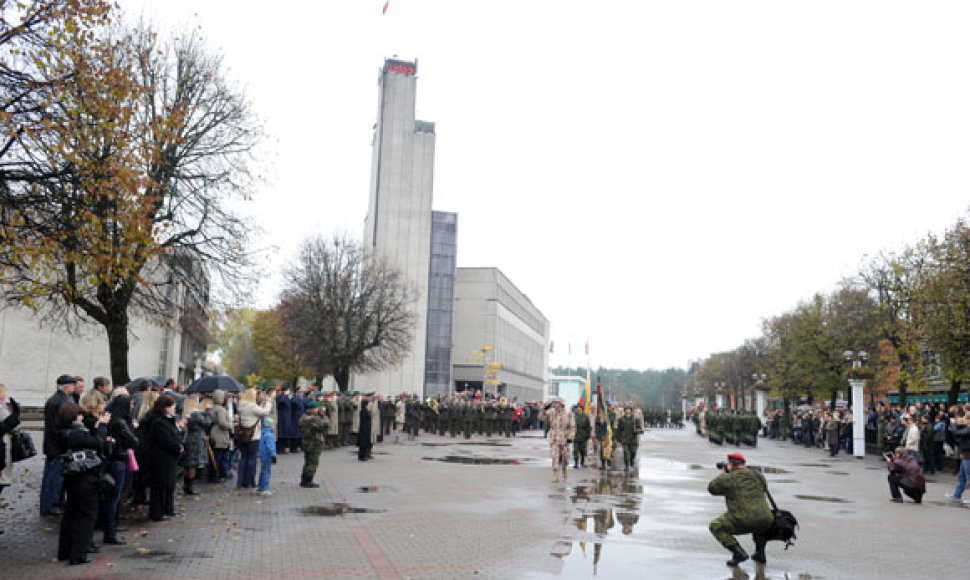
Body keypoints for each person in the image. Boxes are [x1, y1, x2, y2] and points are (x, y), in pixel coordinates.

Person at [56, 402, 111, 565]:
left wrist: (94, 430)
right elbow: (98, 443)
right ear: (74, 417)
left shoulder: (64, 433)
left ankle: (65, 551)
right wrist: (101, 427)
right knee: (87, 515)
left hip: (72, 477)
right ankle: (78, 553)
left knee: (71, 513)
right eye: (79, 415)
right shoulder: (76, 434)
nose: (82, 417)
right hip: (85, 478)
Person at [707, 451, 773, 567]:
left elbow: (712, 488)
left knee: (715, 526)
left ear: (731, 465)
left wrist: (724, 473)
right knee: (758, 523)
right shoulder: (758, 475)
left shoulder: (728, 478)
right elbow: (763, 488)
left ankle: (738, 553)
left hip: (743, 519)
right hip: (766, 518)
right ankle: (760, 553)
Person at [101, 393, 137, 546]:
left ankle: (110, 530)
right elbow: (134, 441)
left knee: (112, 497)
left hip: (114, 459)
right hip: (118, 460)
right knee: (114, 498)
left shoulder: (112, 420)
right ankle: (110, 531)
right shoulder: (120, 422)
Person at [144, 395, 184, 522]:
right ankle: (157, 512)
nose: (174, 409)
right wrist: (177, 447)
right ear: (165, 408)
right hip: (160, 459)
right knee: (160, 485)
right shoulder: (158, 422)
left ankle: (168, 508)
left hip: (168, 458)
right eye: (171, 407)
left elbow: (173, 436)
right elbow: (165, 440)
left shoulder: (167, 421)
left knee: (169, 484)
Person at [41, 374, 77, 516]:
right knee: (54, 478)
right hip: (59, 446)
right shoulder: (63, 401)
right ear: (67, 387)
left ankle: (48, 504)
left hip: (52, 444)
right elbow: (65, 424)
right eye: (73, 385)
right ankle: (50, 505)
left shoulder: (53, 399)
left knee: (50, 476)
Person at [236, 389, 273, 489]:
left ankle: (240, 482)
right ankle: (249, 481)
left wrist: (261, 405)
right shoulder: (251, 406)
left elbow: (255, 412)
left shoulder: (241, 405)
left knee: (243, 458)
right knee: (251, 459)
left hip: (243, 435)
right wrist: (269, 403)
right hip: (253, 436)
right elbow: (264, 413)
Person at [180, 395, 211, 496]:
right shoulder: (196, 413)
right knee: (193, 464)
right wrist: (207, 411)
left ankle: (186, 485)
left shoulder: (186, 412)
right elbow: (207, 423)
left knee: (187, 463)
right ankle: (190, 487)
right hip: (197, 439)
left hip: (188, 437)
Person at [299, 401, 329, 488]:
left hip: (306, 442)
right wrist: (323, 415)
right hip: (314, 442)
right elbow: (325, 424)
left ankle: (304, 480)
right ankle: (308, 481)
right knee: (313, 462)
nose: (318, 410)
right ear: (312, 409)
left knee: (307, 461)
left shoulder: (304, 417)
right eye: (316, 408)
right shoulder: (313, 418)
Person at [545, 398, 576, 483]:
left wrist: (571, 437)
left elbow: (572, 427)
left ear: (561, 404)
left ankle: (564, 468)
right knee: (554, 456)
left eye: (557, 403)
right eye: (554, 403)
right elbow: (541, 417)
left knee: (565, 457)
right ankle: (555, 474)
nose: (555, 405)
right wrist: (544, 408)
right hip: (554, 438)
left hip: (564, 438)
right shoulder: (551, 412)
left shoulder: (568, 413)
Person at [944, 414, 970, 504]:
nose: (965, 421)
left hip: (968, 456)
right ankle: (957, 495)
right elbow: (957, 437)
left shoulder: (968, 430)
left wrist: (954, 425)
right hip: (965, 455)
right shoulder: (966, 428)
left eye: (966, 419)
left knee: (968, 477)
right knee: (962, 477)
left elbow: (958, 433)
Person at [208, 389, 233, 481]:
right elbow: (222, 423)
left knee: (214, 456)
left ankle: (213, 475)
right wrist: (230, 426)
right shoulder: (221, 410)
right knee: (219, 457)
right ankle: (216, 475)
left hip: (213, 432)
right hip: (220, 434)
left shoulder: (213, 408)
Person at [615, 406, 638, 473]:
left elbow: (639, 427)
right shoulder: (621, 419)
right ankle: (627, 466)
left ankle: (631, 461)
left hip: (633, 439)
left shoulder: (635, 419)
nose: (628, 411)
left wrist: (637, 431)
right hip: (624, 439)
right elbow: (619, 430)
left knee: (633, 452)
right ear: (624, 411)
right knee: (626, 452)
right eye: (626, 410)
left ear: (631, 410)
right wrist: (618, 439)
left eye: (629, 409)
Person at [257, 417, 276, 496]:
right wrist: (273, 455)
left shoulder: (262, 433)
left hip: (262, 455)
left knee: (263, 471)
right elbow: (270, 446)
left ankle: (260, 487)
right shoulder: (269, 435)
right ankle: (265, 488)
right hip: (267, 455)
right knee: (267, 472)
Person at [572, 404, 591, 469]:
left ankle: (582, 461)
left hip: (583, 436)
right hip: (575, 435)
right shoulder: (574, 416)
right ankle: (576, 463)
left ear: (582, 408)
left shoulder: (586, 416)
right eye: (577, 407)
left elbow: (588, 427)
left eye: (579, 407)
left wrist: (588, 435)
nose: (578, 408)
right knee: (575, 450)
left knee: (583, 450)